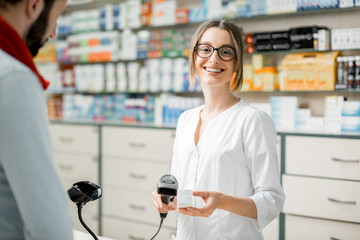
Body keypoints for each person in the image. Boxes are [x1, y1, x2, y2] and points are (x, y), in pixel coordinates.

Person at [152, 20, 285, 240]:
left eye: (225, 52)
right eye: (205, 49)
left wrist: (221, 202)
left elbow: (272, 199)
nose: (213, 58)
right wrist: (165, 198)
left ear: (237, 62)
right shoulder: (186, 119)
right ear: (194, 56)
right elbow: (180, 187)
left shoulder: (253, 120)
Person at [0, 0, 73, 239]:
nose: (53, 31)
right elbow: (49, 226)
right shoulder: (13, 79)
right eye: (57, 15)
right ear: (34, 5)